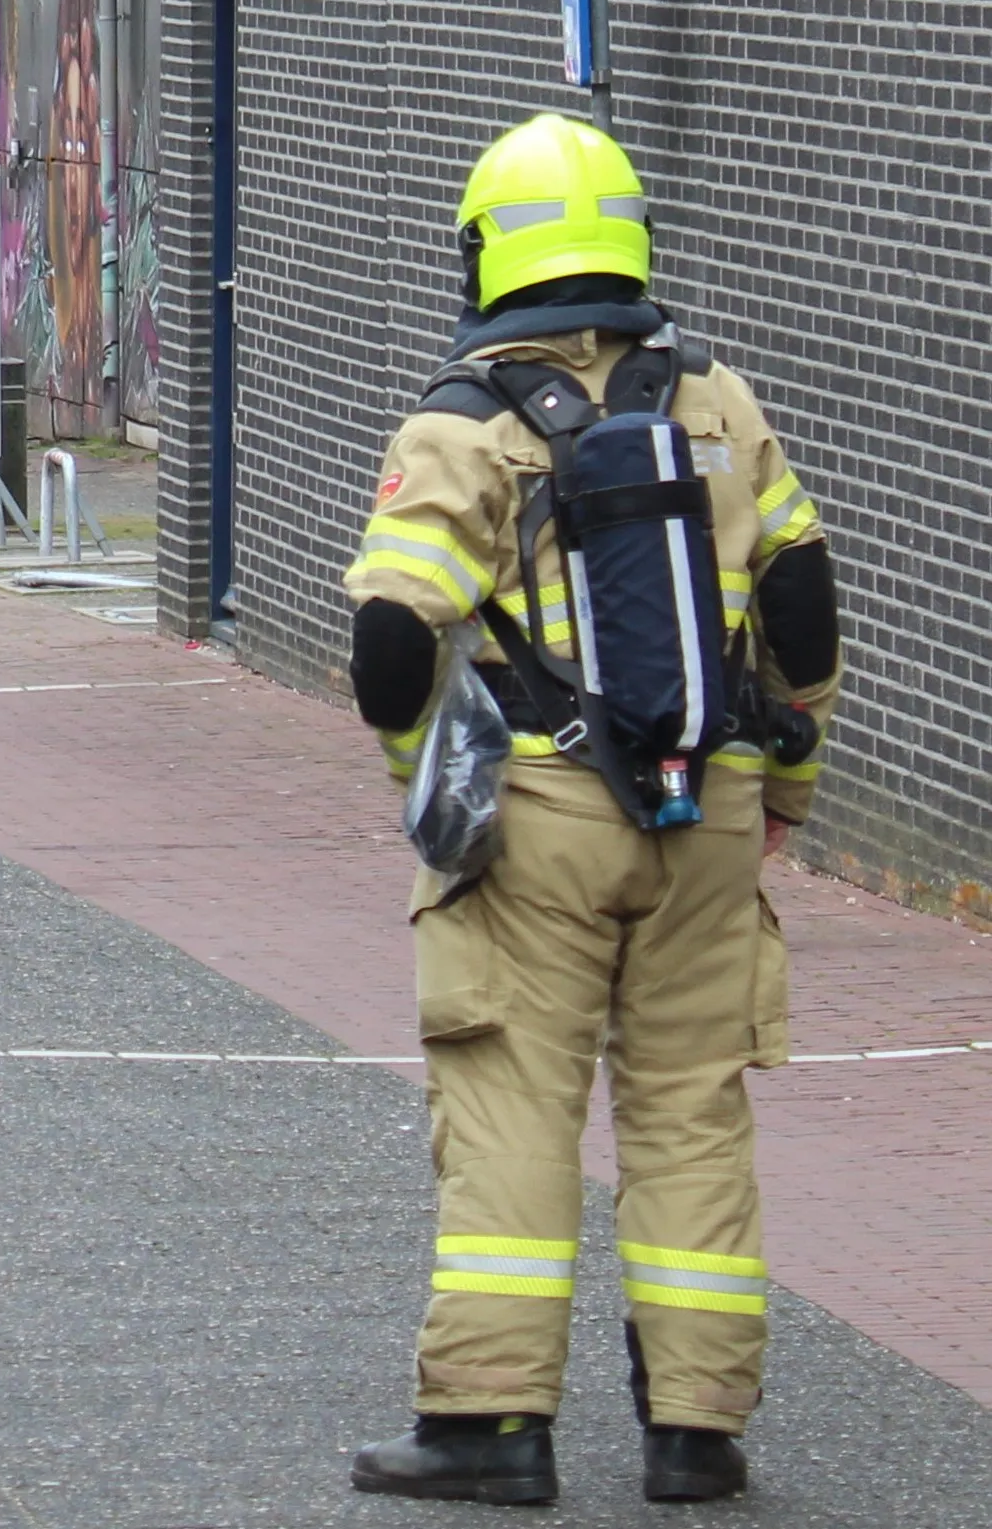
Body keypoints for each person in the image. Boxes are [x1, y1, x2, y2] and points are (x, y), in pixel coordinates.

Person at [343, 113, 840, 1507]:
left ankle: (490, 1425)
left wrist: (430, 791)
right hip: (713, 810)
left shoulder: (463, 423)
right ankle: (697, 1431)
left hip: (539, 822)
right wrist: (785, 789)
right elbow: (803, 603)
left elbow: (391, 643)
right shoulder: (720, 401)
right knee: (691, 1110)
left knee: (513, 1105)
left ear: (484, 252)